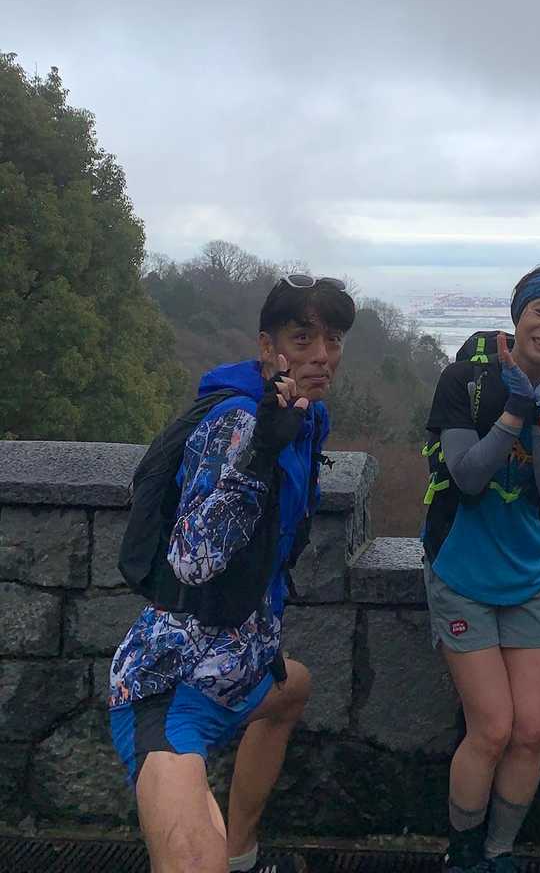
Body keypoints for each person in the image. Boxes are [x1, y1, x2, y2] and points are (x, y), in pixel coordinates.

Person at [109, 275, 357, 873]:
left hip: (239, 672)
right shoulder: (242, 422)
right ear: (268, 347)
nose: (322, 355)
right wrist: (259, 456)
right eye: (302, 339)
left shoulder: (303, 417)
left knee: (293, 688)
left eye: (333, 339)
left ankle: (241, 853)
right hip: (171, 689)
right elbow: (192, 559)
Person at [421, 264, 540, 873]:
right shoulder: (464, 382)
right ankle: (464, 852)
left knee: (530, 732)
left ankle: (500, 851)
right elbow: (468, 476)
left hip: (530, 576)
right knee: (492, 728)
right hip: (461, 569)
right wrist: (515, 409)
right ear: (518, 315)